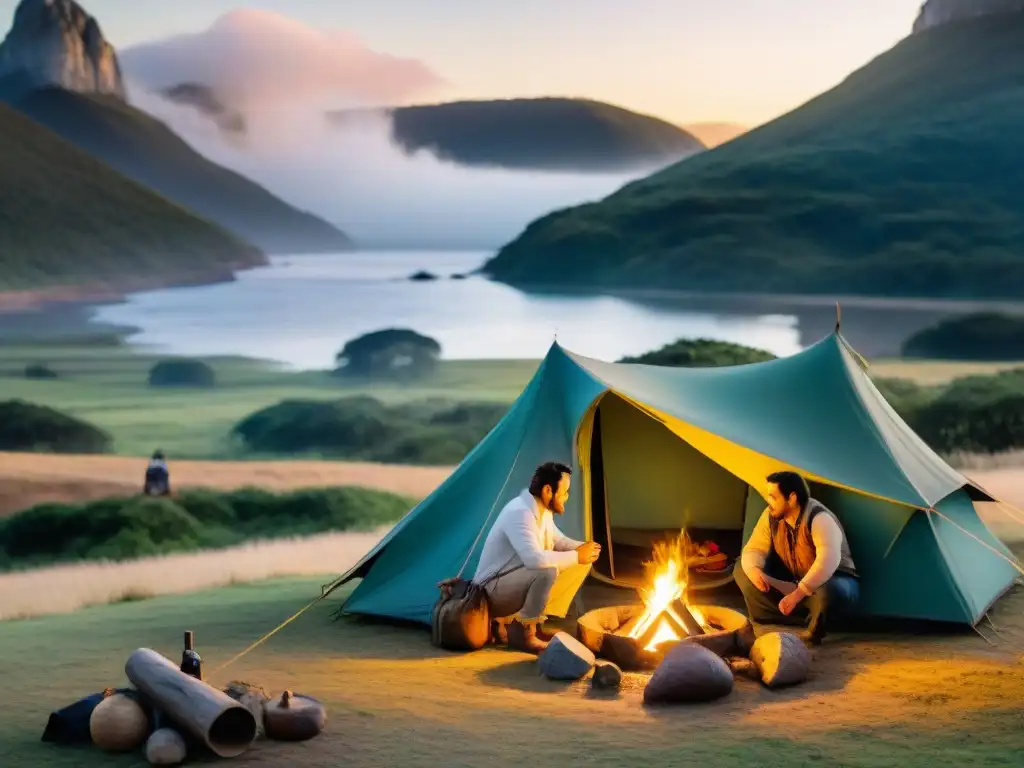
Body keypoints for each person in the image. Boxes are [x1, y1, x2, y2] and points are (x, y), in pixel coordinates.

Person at [472, 461, 601, 654]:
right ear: (548, 491)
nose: (567, 497)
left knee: (581, 561)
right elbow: (534, 559)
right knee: (546, 571)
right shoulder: (520, 512)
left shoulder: (542, 511)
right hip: (490, 591)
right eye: (564, 492)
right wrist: (576, 555)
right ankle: (523, 632)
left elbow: (559, 540)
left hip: (511, 582)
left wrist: (583, 549)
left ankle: (535, 621)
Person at [735, 470, 859, 645]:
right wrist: (755, 572)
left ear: (792, 498)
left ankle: (815, 625)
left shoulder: (819, 518)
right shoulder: (771, 515)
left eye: (773, 497)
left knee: (828, 592)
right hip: (793, 585)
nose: (769, 501)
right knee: (742, 569)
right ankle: (789, 615)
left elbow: (827, 561)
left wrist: (798, 593)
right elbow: (754, 549)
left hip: (828, 583)